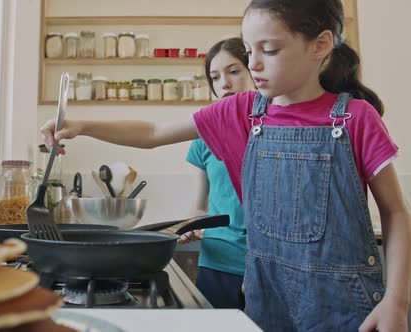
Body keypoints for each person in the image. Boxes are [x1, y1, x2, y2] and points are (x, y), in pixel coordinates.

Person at [40, 0, 411, 330]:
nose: (255, 63)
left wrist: (396, 301)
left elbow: (395, 212)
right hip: (267, 302)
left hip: (346, 308)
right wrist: (83, 125)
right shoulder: (243, 112)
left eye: (270, 49)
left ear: (320, 45)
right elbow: (153, 130)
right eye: (250, 50)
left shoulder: (355, 118)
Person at [178, 37, 255, 310]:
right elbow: (200, 205)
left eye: (234, 71)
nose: (224, 83)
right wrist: (190, 226)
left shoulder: (277, 128)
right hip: (218, 261)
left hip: (268, 264)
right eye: (215, 77)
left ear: (255, 70)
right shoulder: (203, 137)